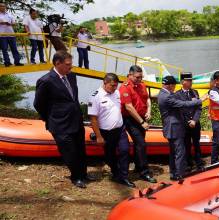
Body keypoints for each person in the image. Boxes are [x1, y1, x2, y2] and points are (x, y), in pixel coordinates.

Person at [33, 51, 89, 188]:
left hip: (76, 120)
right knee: (69, 151)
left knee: (80, 149)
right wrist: (51, 118)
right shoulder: (46, 81)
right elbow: (38, 104)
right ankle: (76, 177)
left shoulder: (71, 76)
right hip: (60, 124)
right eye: (68, 64)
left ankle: (84, 174)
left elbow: (73, 98)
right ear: (57, 63)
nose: (71, 67)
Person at [88, 73, 135, 188]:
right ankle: (115, 172)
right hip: (106, 132)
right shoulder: (95, 97)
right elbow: (93, 119)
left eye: (116, 86)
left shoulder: (117, 93)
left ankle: (123, 177)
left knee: (125, 150)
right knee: (109, 156)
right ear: (105, 83)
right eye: (112, 86)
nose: (114, 88)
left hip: (120, 129)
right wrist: (99, 136)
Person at [157, 75, 205, 180]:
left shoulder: (162, 93)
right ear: (170, 85)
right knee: (180, 152)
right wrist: (199, 100)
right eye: (174, 86)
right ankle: (179, 175)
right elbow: (183, 104)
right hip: (174, 128)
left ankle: (173, 173)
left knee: (173, 152)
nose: (174, 88)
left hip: (170, 127)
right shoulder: (167, 97)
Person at [119, 65, 156, 183]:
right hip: (131, 119)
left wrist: (149, 111)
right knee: (141, 144)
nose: (139, 79)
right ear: (130, 75)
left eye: (141, 77)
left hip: (142, 118)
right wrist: (141, 122)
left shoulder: (142, 85)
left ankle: (137, 166)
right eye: (137, 77)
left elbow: (147, 98)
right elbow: (128, 107)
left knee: (138, 145)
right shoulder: (124, 88)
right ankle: (144, 172)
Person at [174, 73, 204, 171]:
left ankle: (199, 163)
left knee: (196, 144)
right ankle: (188, 164)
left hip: (195, 124)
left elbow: (199, 108)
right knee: (186, 144)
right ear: (183, 82)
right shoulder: (177, 95)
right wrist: (188, 121)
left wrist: (194, 120)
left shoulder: (195, 92)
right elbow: (179, 110)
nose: (191, 82)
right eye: (189, 80)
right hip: (185, 125)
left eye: (191, 80)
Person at [0, 3, 23, 67]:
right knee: (4, 49)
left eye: (4, 6)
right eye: (1, 6)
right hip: (2, 35)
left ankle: (17, 62)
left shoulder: (9, 14)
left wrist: (10, 24)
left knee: (14, 49)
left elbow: (14, 23)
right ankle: (7, 62)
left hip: (11, 34)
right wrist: (2, 22)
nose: (3, 7)